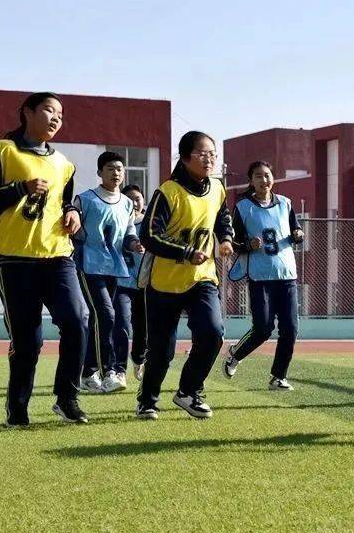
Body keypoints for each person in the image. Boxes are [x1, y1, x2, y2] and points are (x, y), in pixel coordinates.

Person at [0, 92, 89, 426]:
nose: (56, 118)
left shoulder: (65, 164)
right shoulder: (1, 151)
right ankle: (17, 409)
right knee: (27, 339)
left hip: (58, 256)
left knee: (78, 320)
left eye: (61, 115)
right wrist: (19, 188)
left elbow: (68, 201)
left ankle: (67, 399)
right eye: (49, 111)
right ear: (28, 112)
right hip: (14, 258)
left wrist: (73, 213)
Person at [136, 131, 234, 420]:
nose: (209, 159)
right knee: (162, 350)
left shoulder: (217, 188)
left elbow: (222, 217)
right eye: (203, 154)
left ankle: (189, 392)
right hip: (164, 283)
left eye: (213, 154)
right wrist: (186, 252)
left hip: (202, 278)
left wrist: (226, 238)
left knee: (212, 333)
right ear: (186, 156)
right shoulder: (168, 192)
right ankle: (147, 401)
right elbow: (150, 235)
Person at [223, 160, 304, 390]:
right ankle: (235, 355)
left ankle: (278, 377)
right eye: (258, 176)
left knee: (290, 328)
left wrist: (298, 233)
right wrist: (248, 244)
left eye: (267, 175)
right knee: (263, 328)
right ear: (251, 181)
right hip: (260, 278)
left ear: (273, 179)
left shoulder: (285, 203)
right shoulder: (243, 207)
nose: (264, 180)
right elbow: (233, 242)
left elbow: (295, 229)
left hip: (287, 275)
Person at [74, 152, 142, 394]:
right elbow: (72, 229)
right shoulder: (85, 199)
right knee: (107, 314)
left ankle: (87, 372)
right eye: (111, 168)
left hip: (114, 267)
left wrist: (134, 244)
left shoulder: (126, 203)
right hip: (89, 266)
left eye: (120, 169)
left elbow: (129, 231)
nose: (116, 173)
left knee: (100, 319)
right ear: (99, 172)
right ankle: (110, 372)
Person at [112, 183, 148, 383]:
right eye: (130, 199)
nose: (134, 202)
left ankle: (138, 358)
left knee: (143, 330)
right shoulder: (117, 222)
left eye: (138, 198)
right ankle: (119, 370)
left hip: (145, 284)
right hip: (122, 282)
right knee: (122, 324)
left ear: (144, 201)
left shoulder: (151, 224)